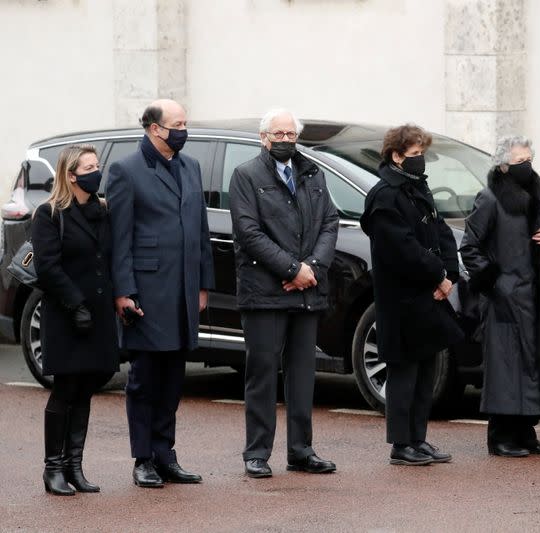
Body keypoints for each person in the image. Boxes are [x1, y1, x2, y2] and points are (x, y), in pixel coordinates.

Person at [107, 99, 214, 487]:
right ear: (155, 129)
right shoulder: (126, 170)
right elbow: (119, 240)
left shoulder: (191, 166)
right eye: (178, 124)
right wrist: (124, 292)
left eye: (185, 122)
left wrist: (204, 283)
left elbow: (200, 230)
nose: (184, 130)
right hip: (147, 292)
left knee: (172, 376)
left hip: (183, 289)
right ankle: (143, 458)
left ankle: (166, 454)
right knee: (144, 378)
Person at [229, 109, 339, 478]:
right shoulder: (246, 175)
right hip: (265, 292)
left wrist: (312, 269)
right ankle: (256, 452)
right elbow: (248, 232)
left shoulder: (313, 172)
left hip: (306, 291)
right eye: (278, 134)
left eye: (291, 134)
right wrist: (293, 270)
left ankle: (301, 450)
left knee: (303, 374)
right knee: (262, 374)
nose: (285, 140)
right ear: (264, 138)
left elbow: (329, 221)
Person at [459, 135, 540, 457]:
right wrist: (496, 285)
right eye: (520, 162)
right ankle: (500, 436)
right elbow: (470, 247)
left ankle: (526, 432)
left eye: (529, 160)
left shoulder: (536, 194)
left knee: (534, 361)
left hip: (537, 293)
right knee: (506, 365)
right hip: (506, 296)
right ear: (504, 165)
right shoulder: (490, 198)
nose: (527, 167)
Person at [360, 124, 464, 466]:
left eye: (422, 155)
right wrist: (436, 274)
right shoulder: (385, 196)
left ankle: (418, 438)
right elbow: (401, 247)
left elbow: (440, 230)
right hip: (402, 298)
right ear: (396, 156)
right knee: (403, 372)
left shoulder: (418, 187)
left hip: (428, 295)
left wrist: (449, 274)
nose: (421, 161)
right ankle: (401, 444)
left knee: (426, 370)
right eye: (415, 155)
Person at [32, 144, 120, 495]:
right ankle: (53, 468)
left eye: (97, 165)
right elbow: (47, 267)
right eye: (88, 167)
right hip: (67, 314)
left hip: (97, 314)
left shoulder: (102, 210)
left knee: (86, 389)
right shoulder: (49, 213)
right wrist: (76, 305)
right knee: (66, 389)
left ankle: (74, 467)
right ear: (71, 175)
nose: (95, 171)